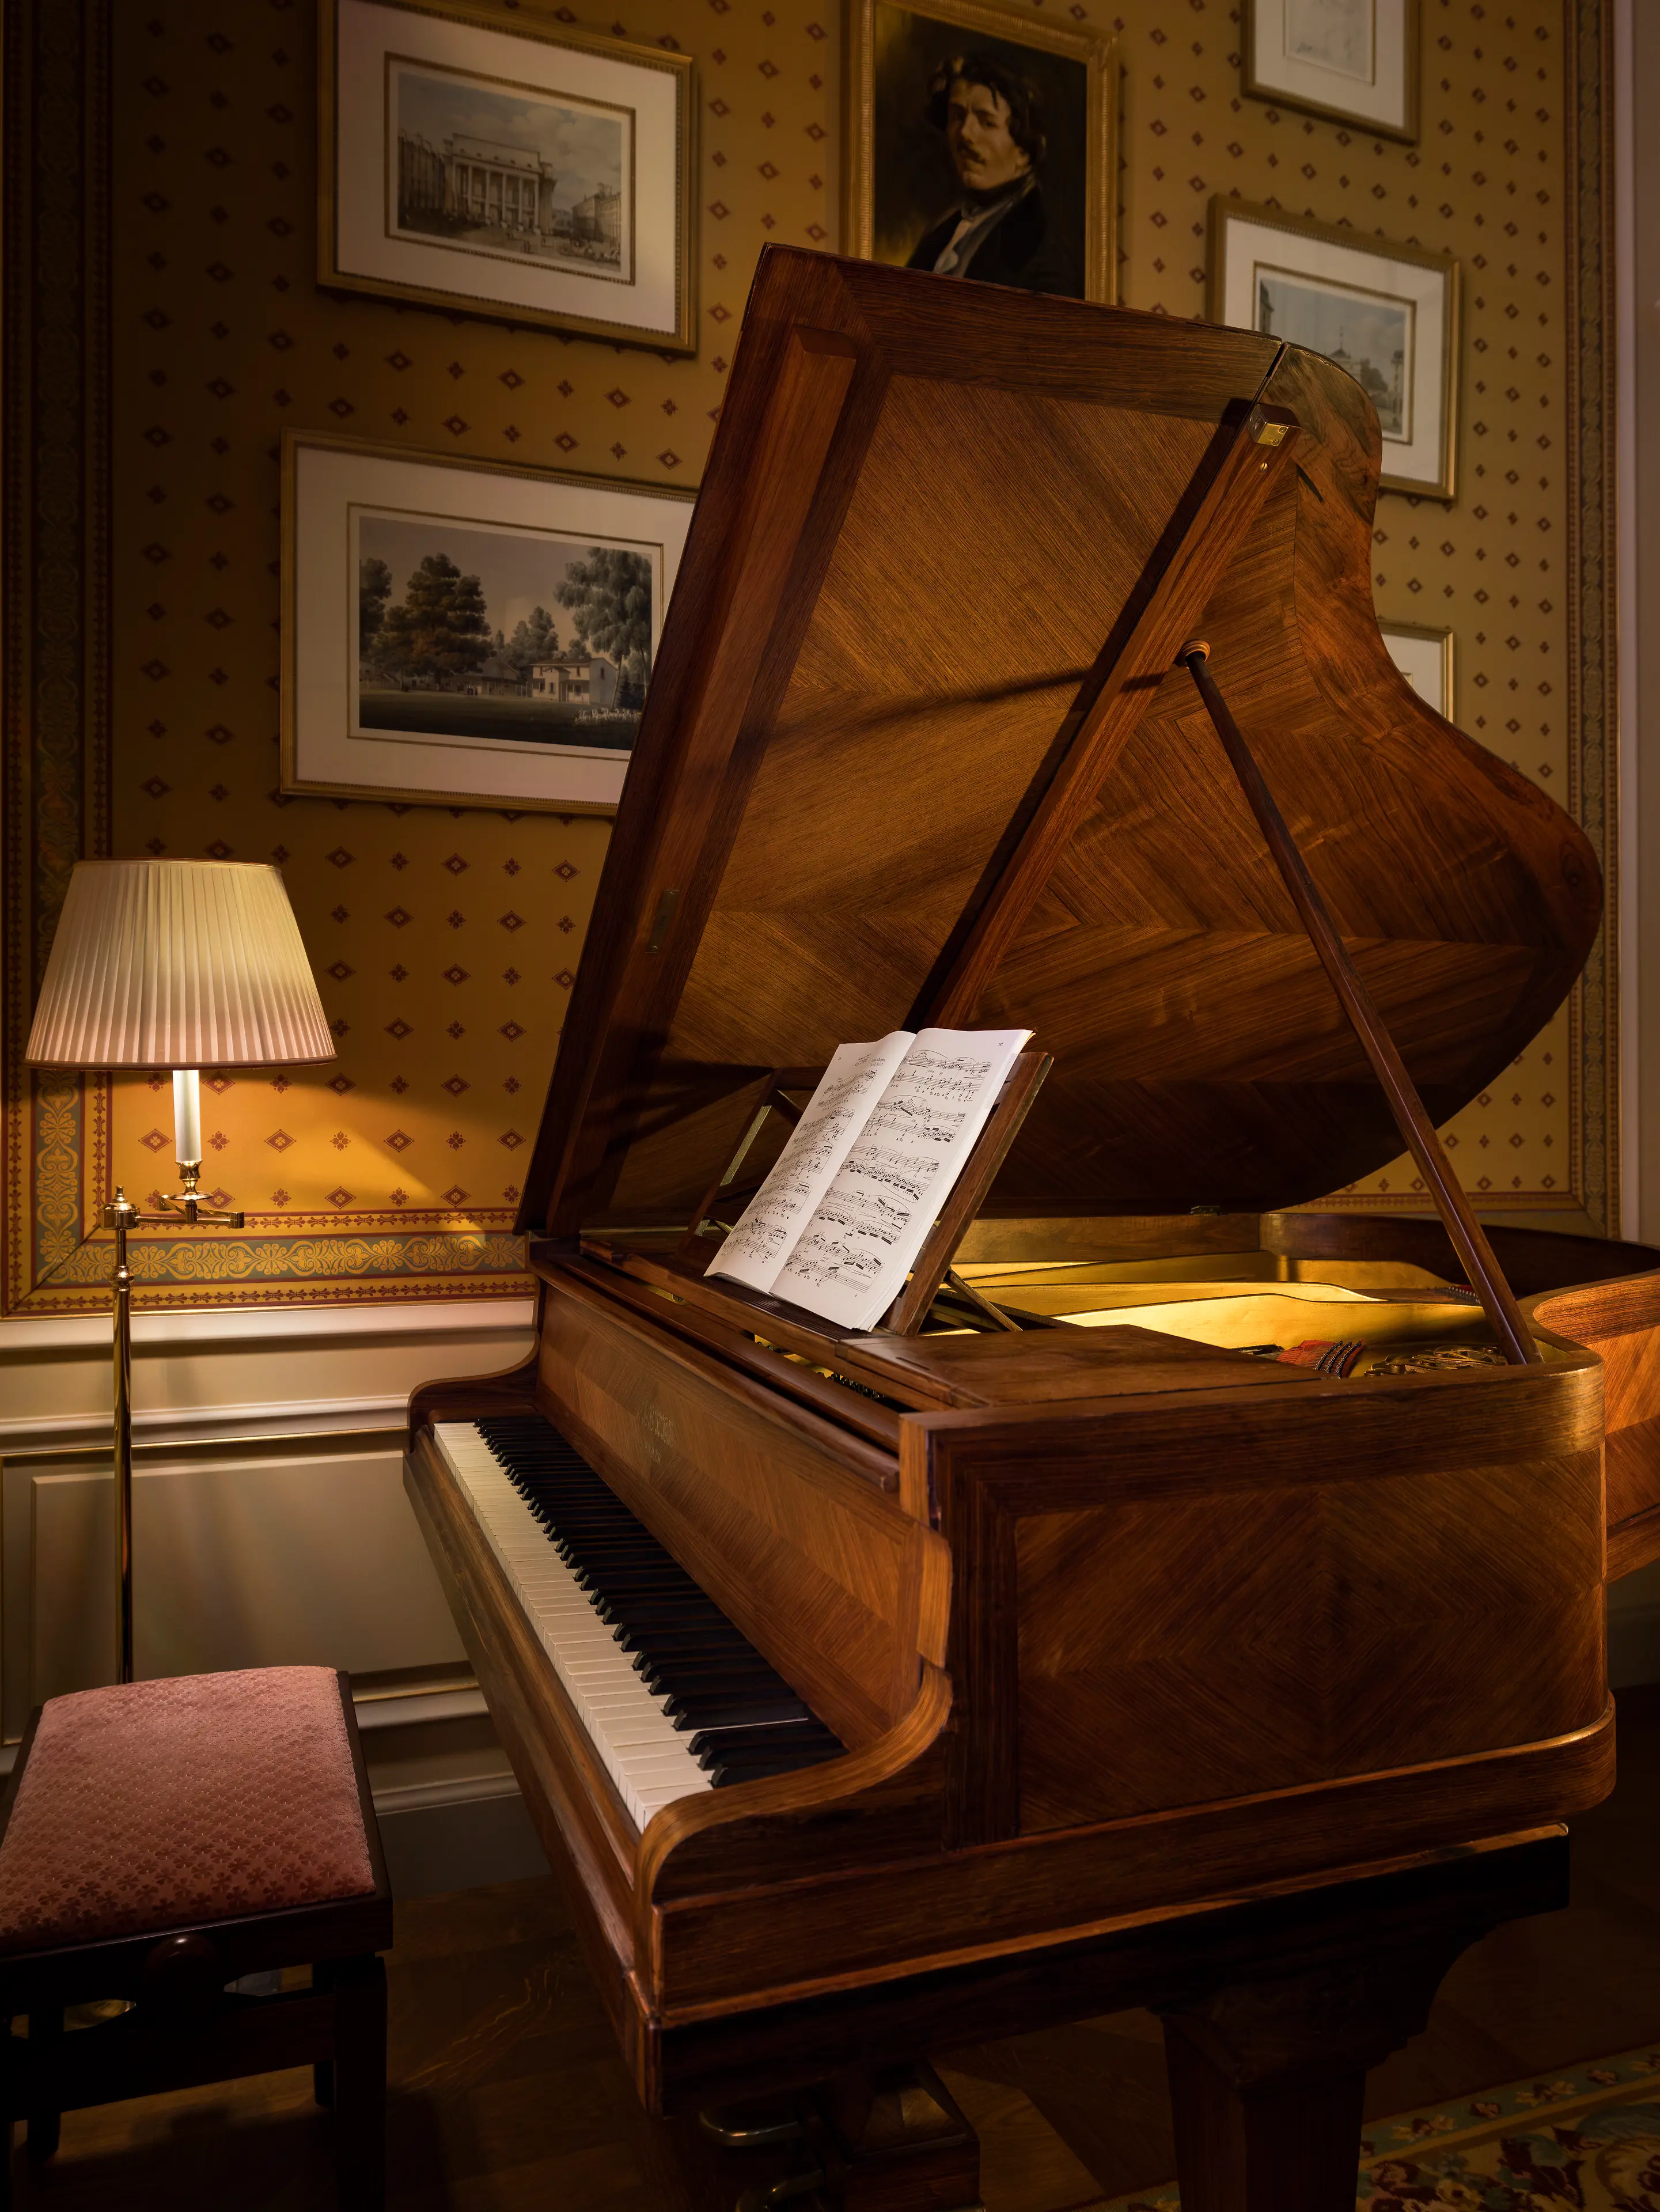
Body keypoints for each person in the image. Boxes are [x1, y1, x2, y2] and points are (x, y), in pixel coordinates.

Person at [904, 51, 1080, 298]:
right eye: (958, 116)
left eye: (987, 122)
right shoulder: (943, 233)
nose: (965, 133)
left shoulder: (1043, 257)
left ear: (1024, 152)